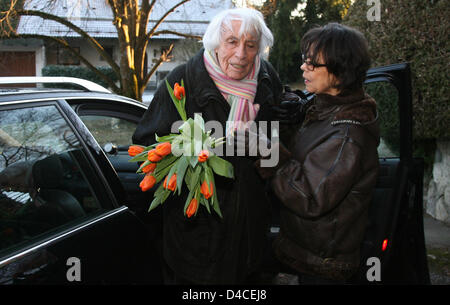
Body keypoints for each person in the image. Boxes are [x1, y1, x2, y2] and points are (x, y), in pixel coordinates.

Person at [132, 8, 287, 284]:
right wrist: (189, 160)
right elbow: (147, 145)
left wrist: (268, 150)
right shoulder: (182, 81)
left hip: (248, 235)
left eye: (250, 45)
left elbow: (278, 143)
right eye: (232, 42)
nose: (241, 54)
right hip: (195, 236)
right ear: (216, 42)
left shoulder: (266, 79)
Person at [250, 22, 380, 284]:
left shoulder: (347, 134)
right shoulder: (325, 110)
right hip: (306, 247)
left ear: (340, 73)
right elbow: (305, 153)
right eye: (303, 60)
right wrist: (290, 114)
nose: (303, 68)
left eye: (312, 64)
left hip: (323, 262)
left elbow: (308, 195)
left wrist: (266, 150)